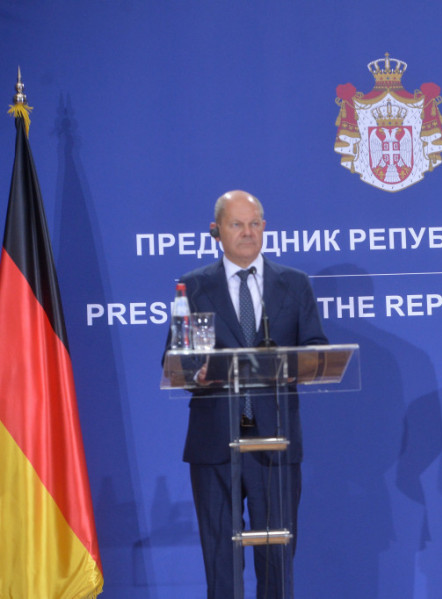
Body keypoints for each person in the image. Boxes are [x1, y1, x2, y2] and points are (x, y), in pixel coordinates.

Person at [171, 190, 328, 599]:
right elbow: (180, 357)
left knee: (277, 561)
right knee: (220, 562)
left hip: (274, 439)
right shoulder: (193, 287)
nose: (247, 232)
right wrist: (197, 371)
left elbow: (316, 348)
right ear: (216, 231)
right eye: (237, 224)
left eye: (255, 224)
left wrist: (293, 363)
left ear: (264, 228)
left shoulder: (293, 284)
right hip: (215, 441)